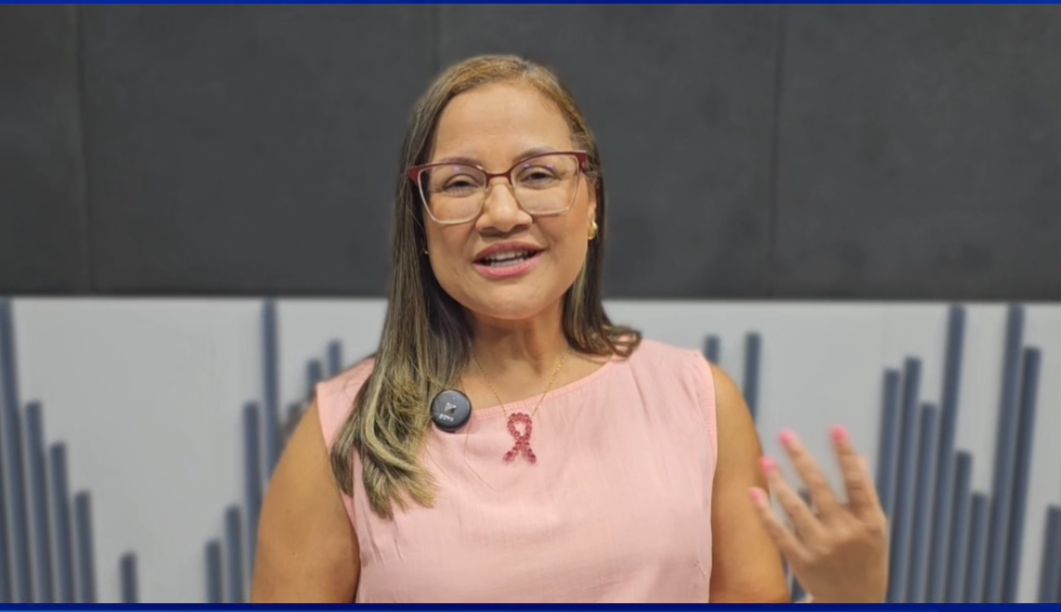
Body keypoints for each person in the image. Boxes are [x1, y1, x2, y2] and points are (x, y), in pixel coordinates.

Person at [250, 55, 888, 603]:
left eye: (538, 175)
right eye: (461, 183)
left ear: (591, 206)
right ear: (422, 224)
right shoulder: (343, 433)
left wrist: (850, 600)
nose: (502, 213)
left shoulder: (698, 401)